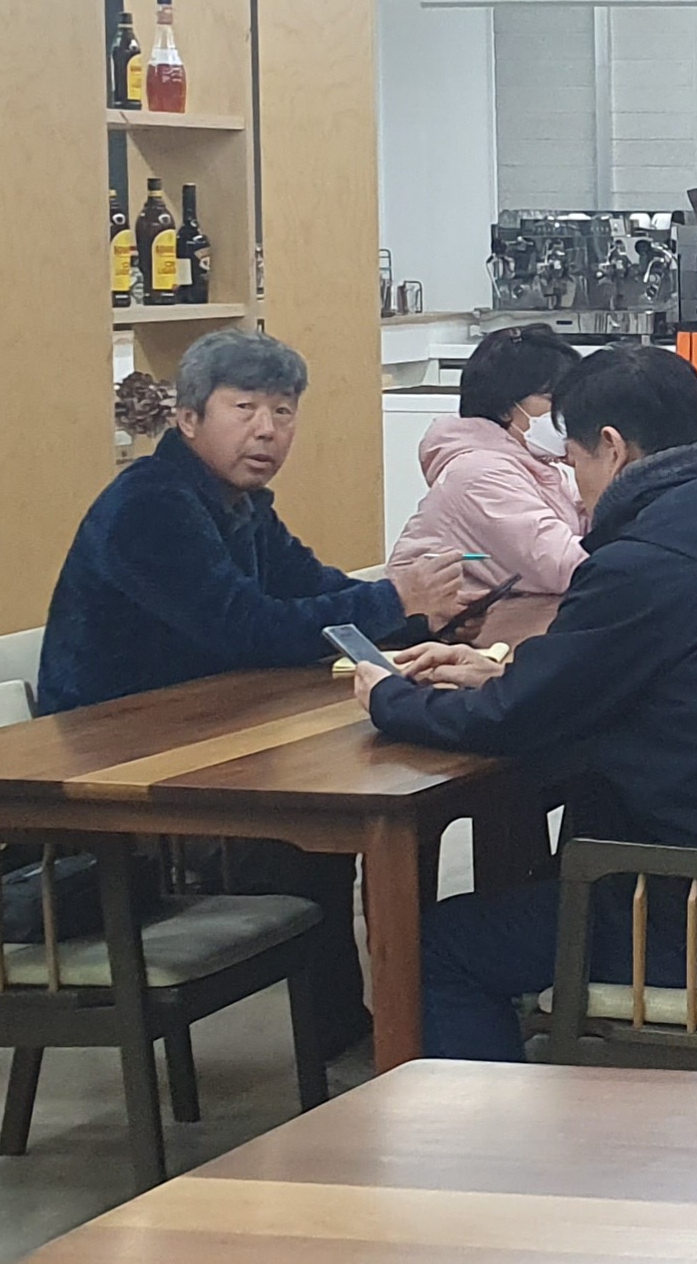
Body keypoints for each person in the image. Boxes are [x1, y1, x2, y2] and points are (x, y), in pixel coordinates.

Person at [353, 345, 697, 1062]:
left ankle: (486, 1136)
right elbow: (646, 675)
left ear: (612, 447)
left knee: (432, 947)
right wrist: (498, 672)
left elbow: (510, 722)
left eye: (573, 464)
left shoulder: (641, 563)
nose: (575, 489)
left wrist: (389, 697)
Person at [35, 327, 467, 1054]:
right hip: (118, 756)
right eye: (245, 409)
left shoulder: (240, 503)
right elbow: (250, 629)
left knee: (353, 804)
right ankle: (345, 1033)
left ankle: (356, 1028)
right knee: (315, 832)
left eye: (283, 412)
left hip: (208, 731)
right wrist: (396, 600)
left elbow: (313, 590)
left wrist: (421, 624)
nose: (267, 430)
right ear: (188, 418)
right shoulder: (152, 504)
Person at [389, 324, 587, 615]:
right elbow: (564, 566)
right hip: (432, 633)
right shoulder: (480, 474)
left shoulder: (533, 466)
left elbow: (587, 530)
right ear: (505, 407)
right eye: (552, 400)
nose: (568, 413)